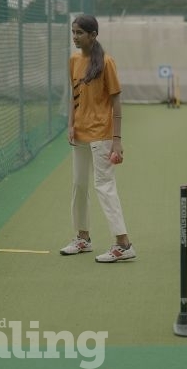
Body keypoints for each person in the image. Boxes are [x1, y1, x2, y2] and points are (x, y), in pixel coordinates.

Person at [60, 14, 136, 263]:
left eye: (80, 32)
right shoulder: (73, 60)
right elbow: (74, 95)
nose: (75, 37)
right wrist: (71, 124)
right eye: (73, 32)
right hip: (79, 134)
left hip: (102, 135)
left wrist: (117, 139)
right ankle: (82, 238)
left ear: (93, 35)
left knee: (104, 186)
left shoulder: (106, 62)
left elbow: (116, 101)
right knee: (78, 185)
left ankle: (124, 244)